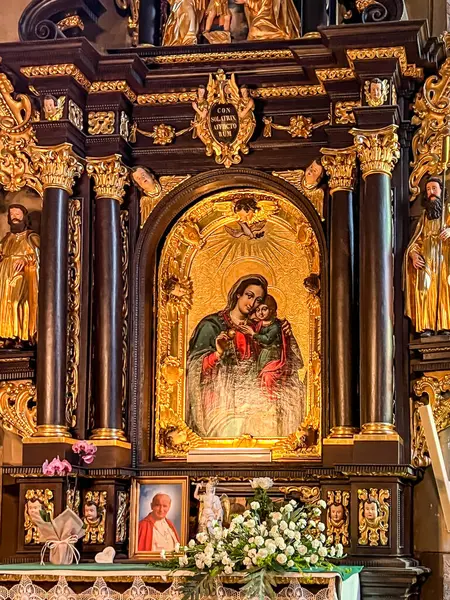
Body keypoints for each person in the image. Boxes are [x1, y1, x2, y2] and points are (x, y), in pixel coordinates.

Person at [404, 177, 450, 335]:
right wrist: (414, 255)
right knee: (424, 289)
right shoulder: (424, 218)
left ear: (441, 191)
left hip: (445, 261)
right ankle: (428, 325)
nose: (431, 192)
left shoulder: (448, 212)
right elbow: (416, 241)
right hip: (428, 261)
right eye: (429, 189)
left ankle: (446, 325)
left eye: (434, 188)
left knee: (445, 288)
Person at [0, 204, 39, 347]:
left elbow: (39, 255)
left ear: (24, 217)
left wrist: (25, 259)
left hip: (22, 274)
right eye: (12, 214)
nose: (14, 217)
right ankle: (6, 336)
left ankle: (21, 337)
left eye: (17, 214)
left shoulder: (31, 236)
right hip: (4, 274)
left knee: (17, 302)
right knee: (4, 302)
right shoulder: (7, 238)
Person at [234, 0, 300, 41]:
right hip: (265, 15)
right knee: (254, 30)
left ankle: (280, 34)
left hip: (272, 17)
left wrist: (248, 1)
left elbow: (266, 4)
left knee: (255, 30)